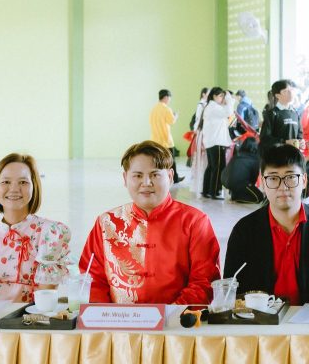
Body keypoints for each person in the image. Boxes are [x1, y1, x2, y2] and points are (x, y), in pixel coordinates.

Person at [79, 140, 220, 304]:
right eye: (138, 175)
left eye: (155, 175)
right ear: (125, 178)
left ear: (170, 177)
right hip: (117, 319)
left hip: (177, 318)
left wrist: (168, 315)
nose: (146, 183)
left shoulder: (195, 222)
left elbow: (204, 283)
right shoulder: (106, 223)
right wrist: (108, 316)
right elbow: (91, 280)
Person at [223, 144, 309, 305]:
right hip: (260, 316)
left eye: (290, 177)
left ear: (304, 181)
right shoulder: (245, 230)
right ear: (263, 183)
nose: (283, 187)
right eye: (273, 178)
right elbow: (232, 283)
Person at [0, 153, 71, 301]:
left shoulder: (50, 234)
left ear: (34, 187)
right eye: (6, 182)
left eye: (23, 182)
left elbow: (45, 302)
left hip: (31, 315)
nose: (14, 189)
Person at [199, 87, 236, 199]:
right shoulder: (214, 107)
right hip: (216, 142)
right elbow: (229, 112)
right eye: (221, 96)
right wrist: (229, 99)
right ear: (214, 96)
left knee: (212, 167)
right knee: (218, 167)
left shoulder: (212, 107)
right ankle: (215, 192)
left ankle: (207, 190)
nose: (222, 98)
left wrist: (228, 100)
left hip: (212, 142)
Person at [258, 79, 302, 158]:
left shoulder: (295, 113)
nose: (290, 93)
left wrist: (301, 142)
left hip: (293, 157)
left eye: (291, 90)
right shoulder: (272, 113)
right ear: (277, 95)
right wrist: (285, 142)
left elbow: (299, 134)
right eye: (285, 91)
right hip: (277, 157)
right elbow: (265, 139)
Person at [149, 89, 182, 184]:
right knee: (171, 161)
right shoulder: (166, 109)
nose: (169, 100)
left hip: (155, 140)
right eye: (169, 98)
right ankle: (175, 179)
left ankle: (158, 179)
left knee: (158, 162)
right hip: (166, 141)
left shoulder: (153, 109)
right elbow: (171, 121)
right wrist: (176, 115)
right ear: (166, 97)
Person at [223, 136, 264, 203]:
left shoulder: (237, 154)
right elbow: (254, 177)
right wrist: (251, 186)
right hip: (238, 183)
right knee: (259, 197)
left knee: (243, 186)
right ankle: (236, 198)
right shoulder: (255, 158)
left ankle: (235, 194)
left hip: (225, 181)